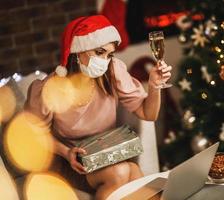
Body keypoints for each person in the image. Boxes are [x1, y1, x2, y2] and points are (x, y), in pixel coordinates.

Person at [24, 15, 172, 200]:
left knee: (132, 170)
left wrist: (154, 86)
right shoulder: (48, 89)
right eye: (99, 52)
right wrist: (66, 152)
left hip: (107, 157)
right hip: (70, 163)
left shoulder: (113, 71)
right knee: (121, 171)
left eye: (109, 55)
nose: (105, 60)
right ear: (78, 51)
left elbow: (148, 114)